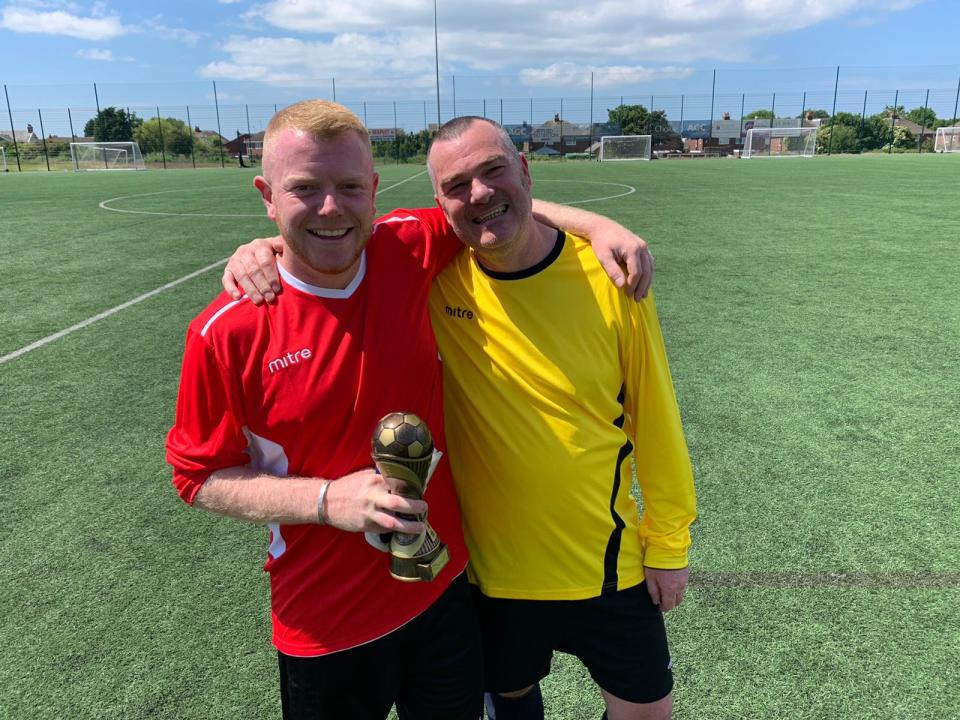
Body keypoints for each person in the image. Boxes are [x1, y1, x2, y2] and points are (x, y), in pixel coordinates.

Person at [169, 100, 654, 720]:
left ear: (374, 189)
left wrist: (598, 225)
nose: (330, 208)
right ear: (267, 195)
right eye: (304, 189)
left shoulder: (406, 247)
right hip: (326, 624)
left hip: (445, 597)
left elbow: (485, 209)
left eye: (348, 187)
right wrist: (325, 501)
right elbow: (197, 477)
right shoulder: (224, 332)